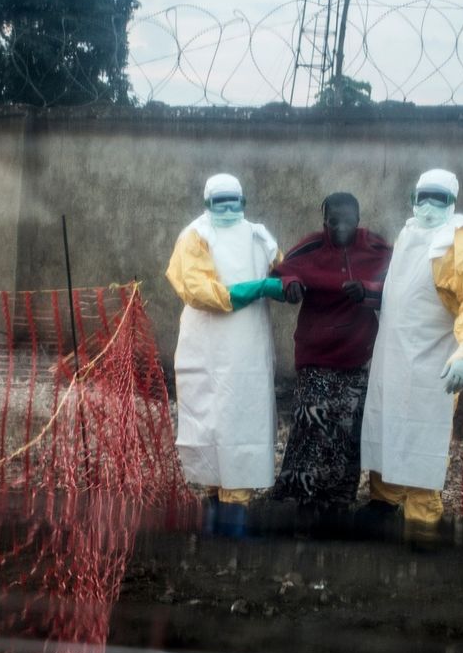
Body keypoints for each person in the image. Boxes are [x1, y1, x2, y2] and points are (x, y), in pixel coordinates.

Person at [360, 169, 463, 543]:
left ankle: (422, 521)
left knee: (422, 436)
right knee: (387, 424)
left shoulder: (461, 240)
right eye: (423, 196)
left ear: (453, 201)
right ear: (413, 197)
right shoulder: (410, 233)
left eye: (438, 198)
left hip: (433, 360)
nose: (429, 205)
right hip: (393, 356)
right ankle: (383, 501)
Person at [166, 173, 286, 536]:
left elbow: (283, 267)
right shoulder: (195, 236)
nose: (229, 209)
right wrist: (261, 287)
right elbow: (200, 291)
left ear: (244, 201)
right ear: (207, 203)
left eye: (235, 201)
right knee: (209, 422)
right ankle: (218, 511)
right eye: (221, 202)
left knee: (241, 421)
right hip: (206, 346)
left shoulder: (258, 235)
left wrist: (290, 280)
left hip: (248, 347)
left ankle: (232, 515)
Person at [270, 193, 392, 533]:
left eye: (347, 221)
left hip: (355, 356)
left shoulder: (377, 248)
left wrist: (367, 290)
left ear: (359, 219)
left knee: (345, 431)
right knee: (311, 429)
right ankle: (304, 504)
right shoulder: (311, 247)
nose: (340, 227)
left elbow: (399, 283)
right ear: (324, 221)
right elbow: (282, 271)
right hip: (316, 354)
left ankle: (338, 503)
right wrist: (291, 284)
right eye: (332, 221)